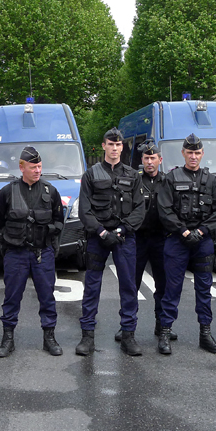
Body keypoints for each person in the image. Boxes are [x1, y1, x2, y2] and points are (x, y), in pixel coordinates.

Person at [76, 128, 145, 356]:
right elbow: (85, 210)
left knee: (128, 287)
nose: (114, 149)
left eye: (118, 145)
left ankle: (128, 335)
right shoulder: (91, 175)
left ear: (122, 147)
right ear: (103, 146)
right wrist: (101, 232)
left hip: (125, 238)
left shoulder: (133, 175)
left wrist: (123, 229)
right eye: (110, 144)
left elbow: (139, 209)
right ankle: (87, 336)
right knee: (92, 287)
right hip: (98, 238)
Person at [0, 146, 64, 357]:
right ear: (22, 167)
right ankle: (8, 338)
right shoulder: (7, 192)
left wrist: (50, 243)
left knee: (47, 297)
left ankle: (49, 337)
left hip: (43, 253)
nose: (37, 170)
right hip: (16, 253)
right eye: (33, 167)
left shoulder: (51, 192)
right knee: (11, 297)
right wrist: (8, 245)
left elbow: (59, 222)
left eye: (40, 166)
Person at [156, 133, 216, 354]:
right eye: (190, 152)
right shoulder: (172, 178)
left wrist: (202, 230)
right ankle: (165, 333)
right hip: (177, 240)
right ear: (183, 153)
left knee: (204, 290)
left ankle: (205, 334)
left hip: (202, 241)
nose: (193, 156)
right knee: (171, 289)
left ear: (202, 154)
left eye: (197, 153)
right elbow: (164, 209)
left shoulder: (211, 181)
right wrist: (183, 230)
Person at [115, 139, 171, 344]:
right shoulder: (134, 180)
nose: (149, 162)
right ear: (142, 160)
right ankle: (127, 327)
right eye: (146, 158)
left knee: (162, 284)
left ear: (159, 159)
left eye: (153, 158)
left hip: (161, 239)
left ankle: (162, 324)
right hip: (137, 238)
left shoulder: (167, 181)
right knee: (132, 284)